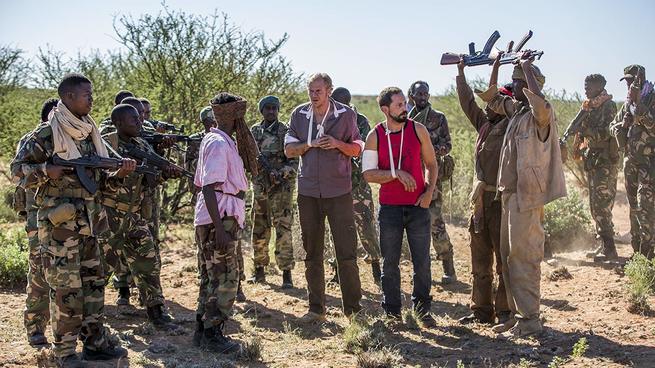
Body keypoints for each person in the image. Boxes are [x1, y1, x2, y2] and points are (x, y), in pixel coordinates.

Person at [11, 73, 134, 367]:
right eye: (86, 95)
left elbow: (101, 183)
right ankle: (65, 352)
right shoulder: (46, 135)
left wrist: (120, 174)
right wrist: (44, 170)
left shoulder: (91, 134)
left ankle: (95, 343)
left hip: (91, 225)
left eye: (92, 94)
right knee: (66, 290)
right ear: (68, 97)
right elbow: (17, 172)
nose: (92, 99)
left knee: (93, 286)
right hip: (60, 231)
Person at [477, 54, 566, 338]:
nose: (512, 88)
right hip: (510, 194)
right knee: (508, 256)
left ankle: (530, 319)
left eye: (516, 83)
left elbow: (539, 104)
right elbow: (490, 99)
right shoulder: (517, 113)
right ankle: (517, 317)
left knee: (524, 256)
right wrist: (496, 66)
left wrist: (525, 69)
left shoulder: (542, 116)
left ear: (529, 85)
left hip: (528, 198)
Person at [284, 73, 363, 322]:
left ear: (329, 90)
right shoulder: (299, 114)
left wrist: (338, 143)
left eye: (318, 90)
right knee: (312, 252)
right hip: (308, 192)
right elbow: (289, 150)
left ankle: (353, 310)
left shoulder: (346, 115)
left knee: (346, 252)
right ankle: (316, 309)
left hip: (339, 191)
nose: (314, 95)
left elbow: (358, 147)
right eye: (311, 90)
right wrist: (311, 144)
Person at [99, 104, 181, 328]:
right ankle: (90, 318)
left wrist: (166, 173)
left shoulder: (142, 144)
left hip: (135, 216)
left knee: (149, 263)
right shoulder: (106, 144)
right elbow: (97, 179)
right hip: (109, 216)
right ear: (118, 123)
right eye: (133, 120)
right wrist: (120, 172)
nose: (139, 122)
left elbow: (150, 181)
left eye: (139, 118)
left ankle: (156, 312)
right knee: (99, 269)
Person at [362, 87, 438, 327]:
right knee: (390, 262)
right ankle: (392, 313)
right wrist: (396, 173)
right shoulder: (375, 135)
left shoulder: (418, 130)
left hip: (418, 206)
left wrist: (428, 193)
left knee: (422, 261)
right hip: (390, 209)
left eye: (404, 103)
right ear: (385, 109)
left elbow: (432, 164)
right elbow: (368, 174)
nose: (405, 108)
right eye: (398, 105)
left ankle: (423, 311)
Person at [193, 92, 254, 353]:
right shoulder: (218, 143)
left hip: (220, 214)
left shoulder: (222, 140)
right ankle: (213, 334)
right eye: (239, 112)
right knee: (225, 277)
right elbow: (208, 187)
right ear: (232, 115)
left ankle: (203, 332)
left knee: (211, 276)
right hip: (220, 216)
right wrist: (219, 228)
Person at [453, 59, 511, 325]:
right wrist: (461, 73)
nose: (488, 105)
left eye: (494, 101)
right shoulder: (485, 125)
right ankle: (481, 311)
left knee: (503, 259)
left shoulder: (512, 126)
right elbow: (467, 102)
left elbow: (492, 90)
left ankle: (506, 312)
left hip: (502, 200)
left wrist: (496, 69)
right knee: (480, 258)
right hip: (481, 201)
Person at [12, 98, 59, 346]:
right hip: (38, 218)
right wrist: (46, 170)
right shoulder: (32, 140)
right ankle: (36, 328)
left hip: (67, 219)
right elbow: (18, 174)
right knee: (40, 272)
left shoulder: (74, 138)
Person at [561, 74, 619, 261]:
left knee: (602, 204)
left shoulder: (608, 105)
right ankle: (602, 244)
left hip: (605, 162)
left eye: (589, 86)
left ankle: (610, 249)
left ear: (600, 86)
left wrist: (584, 131)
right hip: (593, 161)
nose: (585, 88)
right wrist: (571, 132)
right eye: (585, 85)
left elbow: (607, 132)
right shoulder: (588, 106)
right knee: (595, 205)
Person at [329, 87, 382, 284]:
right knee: (336, 229)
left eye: (342, 102)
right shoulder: (327, 119)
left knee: (366, 225)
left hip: (357, 184)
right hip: (334, 184)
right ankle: (337, 271)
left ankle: (377, 268)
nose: (338, 106)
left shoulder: (359, 120)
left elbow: (366, 150)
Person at [408, 81, 457, 284]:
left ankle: (448, 267)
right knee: (412, 226)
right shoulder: (404, 118)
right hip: (409, 178)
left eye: (425, 93)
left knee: (435, 222)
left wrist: (428, 151)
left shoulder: (438, 118)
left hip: (431, 177)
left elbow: (447, 145)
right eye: (419, 93)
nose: (422, 97)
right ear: (411, 95)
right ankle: (421, 271)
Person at [248, 95, 298, 288]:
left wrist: (280, 172)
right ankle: (259, 271)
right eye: (267, 108)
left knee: (284, 230)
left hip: (282, 190)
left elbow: (294, 161)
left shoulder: (286, 131)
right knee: (259, 229)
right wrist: (260, 171)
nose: (271, 111)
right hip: (261, 188)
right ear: (262, 111)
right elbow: (248, 158)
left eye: (274, 108)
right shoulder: (253, 131)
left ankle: (286, 274)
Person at [610, 65, 655, 259]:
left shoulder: (651, 99)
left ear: (641, 80)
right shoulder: (627, 103)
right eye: (626, 81)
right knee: (634, 206)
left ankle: (649, 254)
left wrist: (642, 113)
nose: (628, 84)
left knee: (646, 205)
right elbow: (612, 126)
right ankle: (638, 253)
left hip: (649, 163)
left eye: (632, 80)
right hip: (630, 163)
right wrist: (622, 125)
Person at [186, 106, 217, 205]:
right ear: (203, 122)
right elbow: (188, 165)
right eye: (208, 120)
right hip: (200, 186)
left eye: (214, 119)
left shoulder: (226, 138)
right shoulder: (194, 139)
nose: (213, 122)